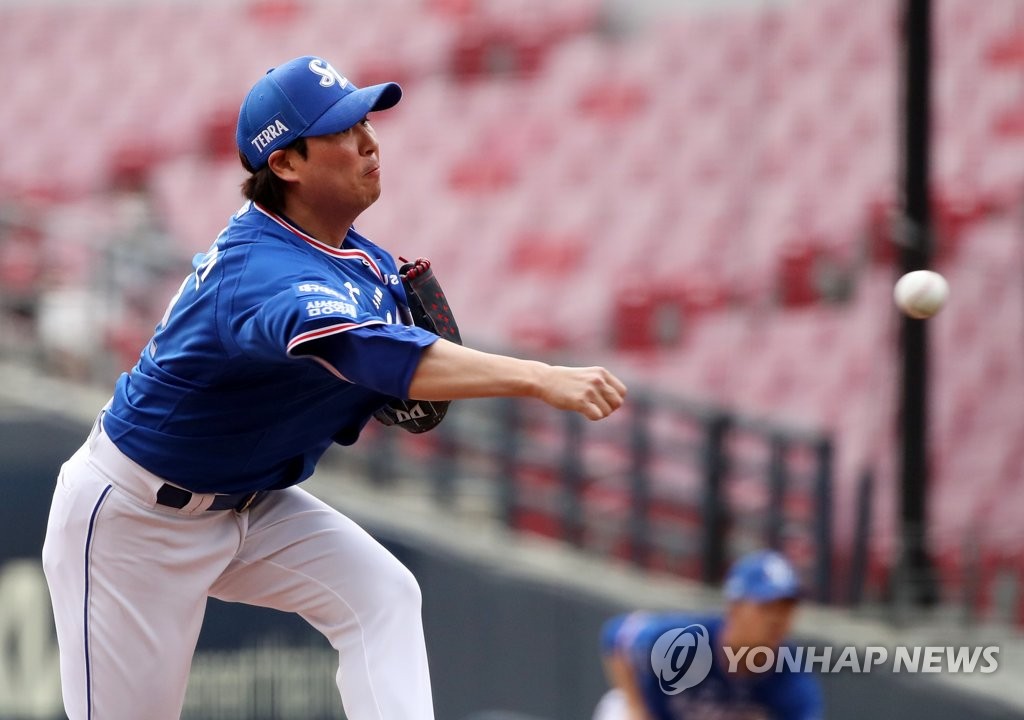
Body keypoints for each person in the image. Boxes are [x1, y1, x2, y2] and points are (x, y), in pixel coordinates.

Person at [41, 55, 627, 720]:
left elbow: (376, 370)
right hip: (133, 522)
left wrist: (393, 383)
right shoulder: (260, 267)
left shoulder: (366, 262)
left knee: (381, 594)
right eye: (343, 129)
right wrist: (540, 377)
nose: (370, 141)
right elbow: (363, 349)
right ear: (286, 164)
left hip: (251, 505)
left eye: (367, 121)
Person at [597, 550, 822, 720]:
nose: (777, 619)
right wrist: (638, 710)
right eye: (766, 608)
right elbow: (616, 635)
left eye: (786, 609)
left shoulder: (789, 673)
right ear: (735, 608)